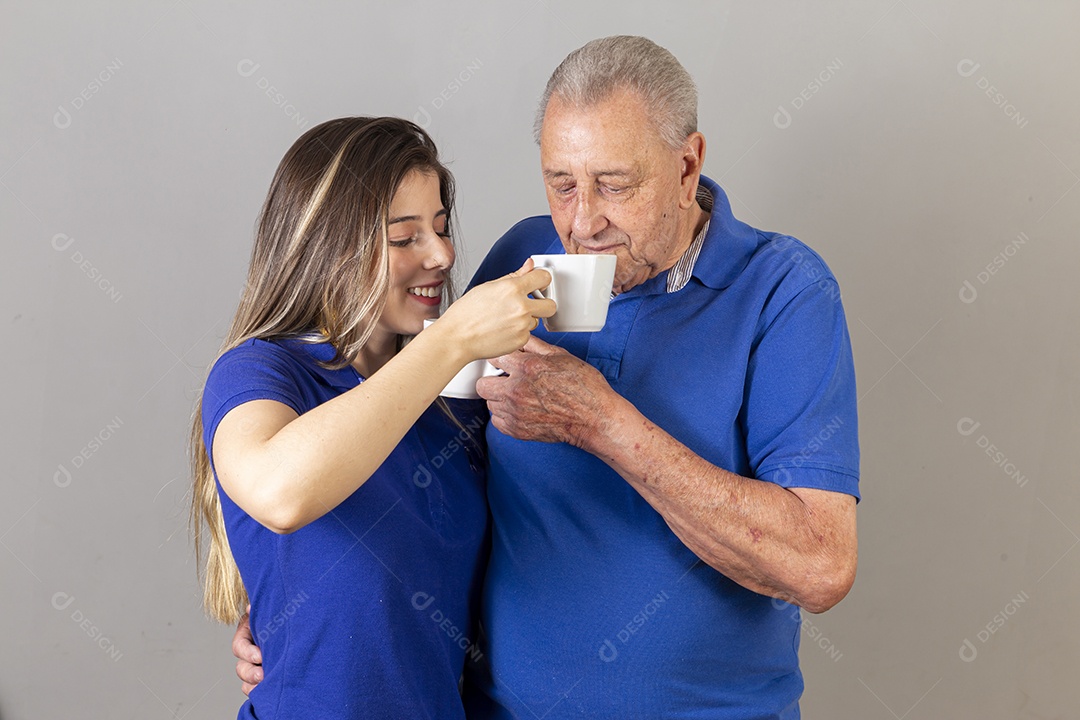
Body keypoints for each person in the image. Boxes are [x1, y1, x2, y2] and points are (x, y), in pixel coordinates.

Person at [236, 36, 859, 718]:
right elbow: (416, 471)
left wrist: (603, 423)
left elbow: (819, 566)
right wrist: (301, 616)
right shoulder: (523, 260)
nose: (582, 223)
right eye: (561, 183)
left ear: (687, 166)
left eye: (614, 184)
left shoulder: (784, 291)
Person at [191, 115, 554, 719]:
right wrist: (454, 340)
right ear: (329, 246)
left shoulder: (454, 401)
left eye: (440, 228)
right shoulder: (262, 372)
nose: (441, 255)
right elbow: (279, 493)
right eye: (405, 237)